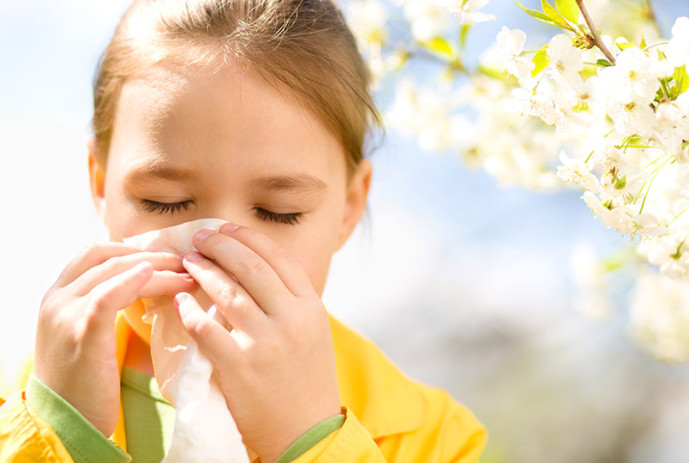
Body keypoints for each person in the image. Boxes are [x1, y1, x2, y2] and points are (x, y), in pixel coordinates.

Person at [0, 0, 487, 461]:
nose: (217, 250)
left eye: (279, 211)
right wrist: (60, 432)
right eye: (163, 202)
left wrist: (308, 442)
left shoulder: (434, 437)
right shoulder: (16, 410)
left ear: (348, 207)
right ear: (101, 184)